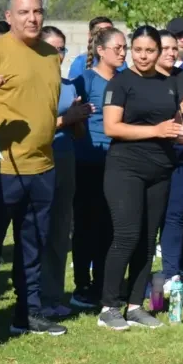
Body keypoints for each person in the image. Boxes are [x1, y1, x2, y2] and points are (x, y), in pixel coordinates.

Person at [0, 0, 66, 339]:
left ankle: (28, 315)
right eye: (24, 12)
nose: (32, 18)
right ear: (9, 17)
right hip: (1, 171)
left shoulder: (50, 55)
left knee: (34, 246)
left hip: (43, 168)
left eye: (37, 11)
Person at [97, 26, 183, 330]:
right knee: (126, 236)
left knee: (147, 239)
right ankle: (108, 307)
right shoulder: (121, 82)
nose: (143, 56)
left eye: (149, 51)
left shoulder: (168, 84)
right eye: (138, 50)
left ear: (159, 51)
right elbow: (112, 127)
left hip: (161, 170)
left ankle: (134, 306)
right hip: (125, 169)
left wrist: (178, 136)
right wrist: (157, 132)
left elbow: (165, 125)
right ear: (131, 50)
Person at [69, 27, 125, 310]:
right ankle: (82, 285)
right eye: (117, 48)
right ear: (100, 50)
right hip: (89, 162)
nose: (123, 53)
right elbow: (72, 114)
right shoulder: (86, 79)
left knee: (111, 227)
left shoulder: (126, 81)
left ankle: (105, 282)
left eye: (124, 47)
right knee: (85, 227)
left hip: (119, 163)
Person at [39, 26, 92, 318]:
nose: (57, 55)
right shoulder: (31, 84)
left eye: (61, 49)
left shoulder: (70, 85)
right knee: (38, 232)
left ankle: (54, 295)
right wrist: (64, 119)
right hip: (39, 160)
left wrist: (79, 116)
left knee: (60, 231)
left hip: (65, 159)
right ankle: (34, 296)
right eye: (51, 48)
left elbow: (79, 134)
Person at [155, 30, 183, 290]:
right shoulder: (146, 79)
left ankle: (174, 270)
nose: (172, 52)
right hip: (153, 155)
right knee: (151, 217)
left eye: (174, 48)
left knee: (177, 215)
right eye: (165, 48)